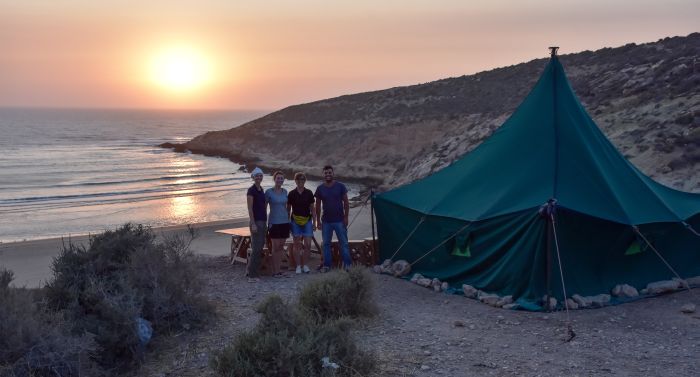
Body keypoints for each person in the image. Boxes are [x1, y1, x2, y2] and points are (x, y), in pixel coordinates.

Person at [314, 165, 352, 271]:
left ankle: (348, 265)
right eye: (326, 173)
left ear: (333, 173)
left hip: (340, 220)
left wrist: (346, 217)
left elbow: (346, 202)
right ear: (323, 174)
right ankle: (327, 265)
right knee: (326, 244)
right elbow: (317, 206)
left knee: (343, 243)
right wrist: (317, 221)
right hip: (326, 221)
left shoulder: (340, 186)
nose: (328, 175)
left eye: (329, 172)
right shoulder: (320, 188)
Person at [287, 172, 314, 274]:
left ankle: (305, 265)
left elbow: (313, 209)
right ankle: (298, 266)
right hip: (295, 222)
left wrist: (315, 222)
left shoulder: (309, 193)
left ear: (305, 181)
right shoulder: (291, 194)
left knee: (307, 244)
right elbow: (288, 210)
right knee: (296, 244)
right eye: (298, 180)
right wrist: (288, 223)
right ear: (295, 181)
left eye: (302, 179)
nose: (300, 181)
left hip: (307, 221)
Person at [266, 171, 290, 277]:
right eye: (278, 178)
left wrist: (289, 219)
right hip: (274, 222)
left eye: (281, 178)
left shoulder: (285, 192)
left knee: (281, 246)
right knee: (275, 247)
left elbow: (287, 207)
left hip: (285, 222)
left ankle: (278, 269)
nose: (280, 180)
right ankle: (274, 271)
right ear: (274, 179)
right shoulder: (269, 192)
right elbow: (263, 207)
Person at [246, 167, 266, 283]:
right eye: (257, 175)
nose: (259, 177)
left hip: (263, 221)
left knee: (259, 248)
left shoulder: (261, 189)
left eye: (260, 175)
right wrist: (253, 223)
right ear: (253, 177)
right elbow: (250, 208)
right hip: (256, 222)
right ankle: (252, 276)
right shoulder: (251, 190)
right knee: (256, 249)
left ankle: (252, 271)